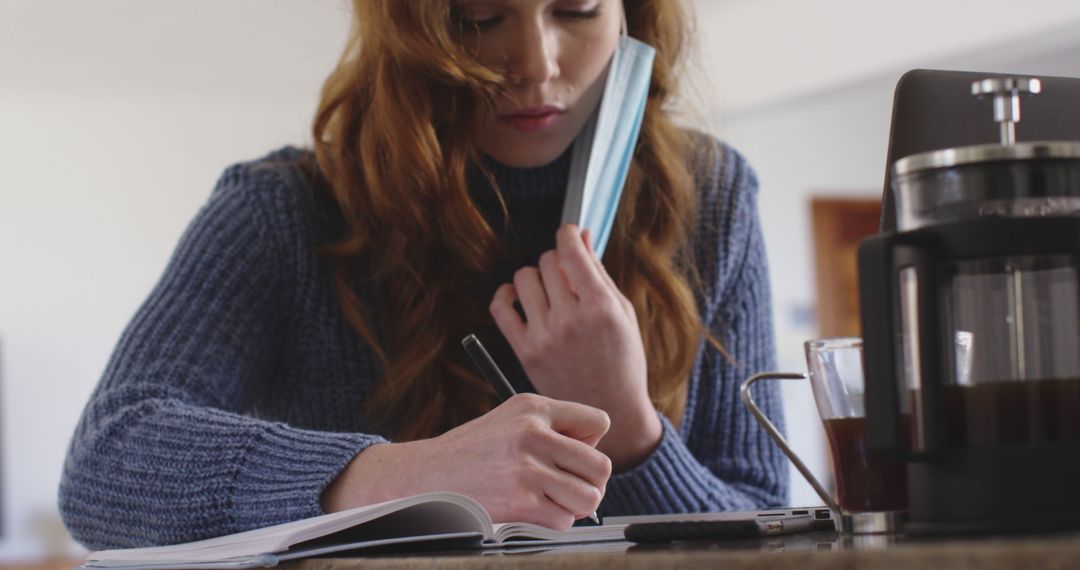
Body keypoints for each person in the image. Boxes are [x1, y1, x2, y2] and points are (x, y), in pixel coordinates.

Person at [58, 0, 787, 550]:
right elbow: (105, 462)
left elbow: (769, 523)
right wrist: (402, 479)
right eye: (480, 16)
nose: (537, 64)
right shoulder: (287, 209)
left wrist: (628, 428)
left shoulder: (709, 196)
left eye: (577, 7)